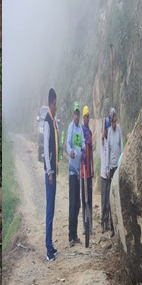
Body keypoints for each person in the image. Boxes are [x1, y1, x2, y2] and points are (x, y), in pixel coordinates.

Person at [43, 89, 59, 262]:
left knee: (52, 210)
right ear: (52, 102)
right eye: (55, 104)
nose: (56, 107)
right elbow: (46, 150)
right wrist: (49, 172)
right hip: (50, 174)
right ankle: (48, 250)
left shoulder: (53, 121)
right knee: (49, 210)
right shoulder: (47, 121)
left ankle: (51, 245)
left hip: (53, 171)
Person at [101, 107, 122, 236]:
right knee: (110, 197)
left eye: (115, 121)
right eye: (112, 122)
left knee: (117, 196)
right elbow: (107, 150)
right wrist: (108, 167)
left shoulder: (119, 130)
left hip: (117, 167)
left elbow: (122, 146)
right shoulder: (108, 132)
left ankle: (117, 225)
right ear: (110, 121)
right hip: (111, 168)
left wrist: (122, 163)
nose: (114, 124)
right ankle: (111, 226)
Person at [66, 103, 83, 246]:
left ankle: (76, 234)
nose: (77, 116)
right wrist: (70, 151)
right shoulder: (71, 127)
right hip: (72, 171)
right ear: (73, 115)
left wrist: (83, 149)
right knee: (72, 204)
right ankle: (70, 236)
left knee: (77, 204)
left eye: (78, 114)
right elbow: (68, 143)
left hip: (79, 173)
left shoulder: (80, 129)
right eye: (75, 114)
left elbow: (82, 143)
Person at [80, 105, 95, 247]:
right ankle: (84, 226)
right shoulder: (80, 132)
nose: (87, 118)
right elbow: (80, 151)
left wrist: (93, 166)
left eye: (88, 116)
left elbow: (91, 152)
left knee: (90, 199)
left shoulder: (89, 133)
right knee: (83, 199)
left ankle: (90, 224)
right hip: (82, 172)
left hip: (89, 172)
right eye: (85, 116)